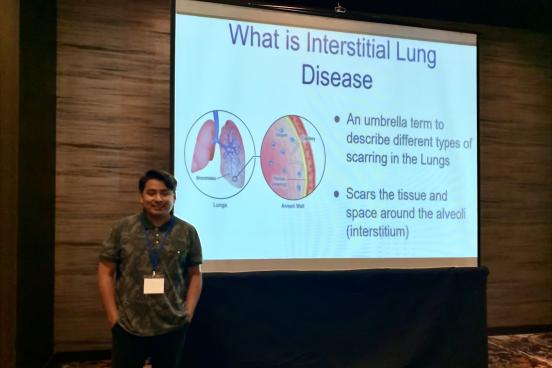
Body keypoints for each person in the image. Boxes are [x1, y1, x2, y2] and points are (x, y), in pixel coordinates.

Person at [98, 169, 203, 368]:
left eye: (165, 193)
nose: (158, 198)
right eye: (151, 192)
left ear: (174, 197)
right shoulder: (122, 229)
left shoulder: (187, 232)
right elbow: (105, 272)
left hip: (172, 324)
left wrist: (187, 314)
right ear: (141, 197)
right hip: (128, 325)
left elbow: (195, 274)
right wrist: (113, 318)